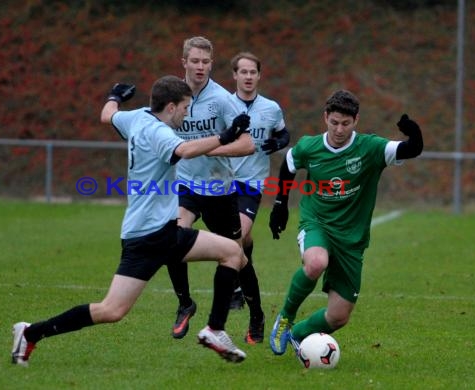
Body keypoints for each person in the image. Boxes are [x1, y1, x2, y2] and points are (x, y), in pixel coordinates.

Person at [11, 75, 253, 366]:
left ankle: (215, 329)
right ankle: (30, 332)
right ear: (172, 107)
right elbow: (184, 151)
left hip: (165, 232)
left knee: (232, 252)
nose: (188, 114)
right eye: (186, 108)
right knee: (112, 310)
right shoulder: (159, 133)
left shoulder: (136, 117)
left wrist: (114, 97)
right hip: (147, 236)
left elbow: (108, 116)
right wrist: (225, 137)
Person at [267, 89, 423, 366]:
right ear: (325, 117)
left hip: (352, 238)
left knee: (338, 317)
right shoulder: (310, 147)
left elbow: (411, 149)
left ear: (356, 121)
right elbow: (289, 165)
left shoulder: (370, 148)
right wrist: (280, 203)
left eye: (346, 124)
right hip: (318, 223)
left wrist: (415, 134)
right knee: (316, 263)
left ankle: (298, 333)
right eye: (334, 122)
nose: (339, 129)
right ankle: (285, 318)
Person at [166, 36, 265, 346]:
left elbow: (248, 144)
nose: (200, 67)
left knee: (238, 255)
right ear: (184, 62)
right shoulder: (172, 95)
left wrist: (208, 149)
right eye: (194, 61)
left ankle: (256, 314)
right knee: (172, 237)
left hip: (220, 189)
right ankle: (185, 303)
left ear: (212, 63)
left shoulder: (223, 100)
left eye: (205, 62)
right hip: (185, 186)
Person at [228, 51, 290, 343]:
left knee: (233, 240)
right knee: (242, 239)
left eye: (253, 72)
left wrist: (278, 141)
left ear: (259, 75)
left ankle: (240, 294)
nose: (248, 77)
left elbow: (284, 134)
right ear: (235, 76)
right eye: (243, 72)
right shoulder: (223, 104)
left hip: (251, 184)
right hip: (221, 182)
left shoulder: (271, 108)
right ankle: (240, 282)